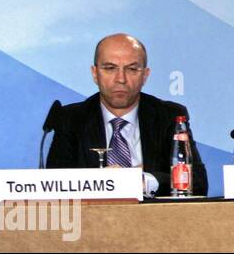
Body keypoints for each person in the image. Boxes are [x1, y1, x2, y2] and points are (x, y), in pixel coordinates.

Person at [46, 33, 208, 197]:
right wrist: (102, 183)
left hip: (154, 218)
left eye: (131, 69)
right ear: (95, 73)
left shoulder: (169, 116)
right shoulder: (71, 119)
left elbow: (198, 182)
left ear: (145, 75)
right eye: (110, 68)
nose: (121, 79)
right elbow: (54, 185)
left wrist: (144, 181)